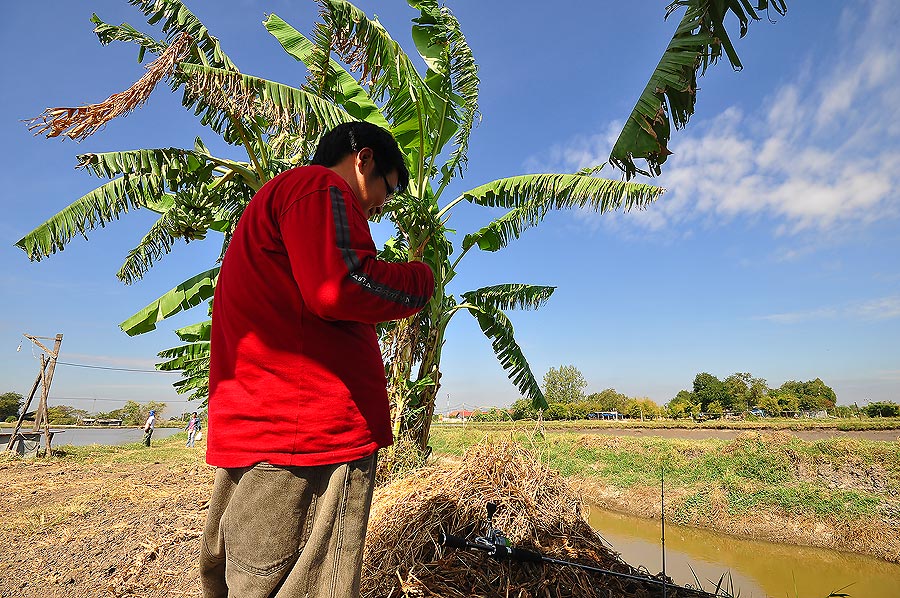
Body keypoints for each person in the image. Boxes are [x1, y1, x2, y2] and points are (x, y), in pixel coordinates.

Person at [200, 121, 435, 598]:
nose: (383, 204)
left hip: (269, 422)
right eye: (386, 188)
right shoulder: (318, 186)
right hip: (312, 430)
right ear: (362, 159)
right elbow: (341, 284)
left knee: (243, 574)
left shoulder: (275, 200)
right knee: (310, 579)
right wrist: (421, 281)